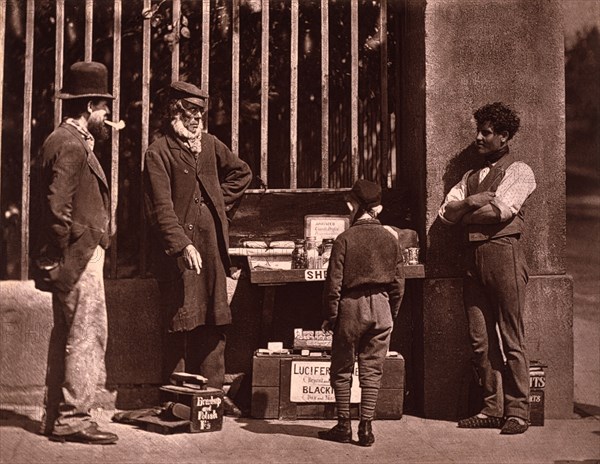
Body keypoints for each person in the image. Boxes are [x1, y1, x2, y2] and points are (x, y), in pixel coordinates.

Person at [144, 81, 252, 413]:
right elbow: (160, 209)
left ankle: (212, 399)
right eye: (190, 112)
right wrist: (181, 245)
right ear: (174, 112)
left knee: (214, 322)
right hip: (179, 256)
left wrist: (218, 207)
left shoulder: (210, 144)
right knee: (180, 323)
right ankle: (175, 400)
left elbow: (242, 173)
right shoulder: (157, 152)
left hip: (211, 249)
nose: (197, 119)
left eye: (200, 113)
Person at [438, 102, 536, 435]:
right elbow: (445, 215)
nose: (479, 137)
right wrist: (469, 203)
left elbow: (501, 211)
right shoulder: (470, 177)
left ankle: (518, 410)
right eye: (478, 131)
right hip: (472, 261)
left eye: (487, 132)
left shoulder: (519, 170)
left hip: (503, 255)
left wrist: (464, 214)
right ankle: (492, 407)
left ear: (504, 136)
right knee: (480, 340)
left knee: (511, 337)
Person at [34, 61, 118, 444]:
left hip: (72, 255)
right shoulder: (70, 144)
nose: (106, 117)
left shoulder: (60, 139)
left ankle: (57, 414)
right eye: (104, 109)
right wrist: (64, 253)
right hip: (78, 257)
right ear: (89, 108)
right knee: (86, 335)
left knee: (68, 333)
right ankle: (73, 418)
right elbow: (56, 207)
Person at [319, 179, 406, 447]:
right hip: (382, 307)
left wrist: (333, 317)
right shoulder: (391, 239)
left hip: (350, 307)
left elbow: (333, 284)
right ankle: (366, 428)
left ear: (355, 205)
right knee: (373, 369)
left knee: (342, 368)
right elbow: (398, 284)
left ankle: (343, 425)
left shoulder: (344, 239)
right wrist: (389, 313)